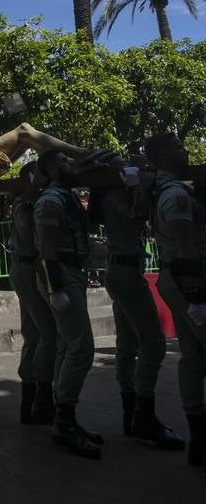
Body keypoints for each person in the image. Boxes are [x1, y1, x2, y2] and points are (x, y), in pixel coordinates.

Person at [91, 159, 184, 450]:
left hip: (123, 270)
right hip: (125, 272)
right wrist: (139, 190)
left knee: (128, 342)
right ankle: (143, 412)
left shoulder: (115, 196)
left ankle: (131, 411)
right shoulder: (116, 197)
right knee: (153, 343)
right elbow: (136, 218)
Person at [33, 151, 102, 459]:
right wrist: (56, 288)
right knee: (81, 347)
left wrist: (89, 162)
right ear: (50, 169)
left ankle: (65, 419)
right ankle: (64, 423)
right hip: (60, 273)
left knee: (67, 345)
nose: (70, 164)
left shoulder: (65, 194)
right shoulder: (51, 199)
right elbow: (47, 247)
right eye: (63, 161)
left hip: (72, 271)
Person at [145, 133, 206, 467]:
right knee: (194, 355)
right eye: (179, 149)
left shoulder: (165, 191)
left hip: (177, 279)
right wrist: (197, 297)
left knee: (192, 357)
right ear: (165, 156)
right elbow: (186, 246)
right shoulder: (175, 195)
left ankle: (200, 441)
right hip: (188, 281)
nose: (185, 153)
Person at [8, 164, 57, 425]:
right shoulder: (24, 202)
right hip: (28, 268)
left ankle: (32, 398)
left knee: (35, 332)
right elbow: (27, 225)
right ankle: (40, 396)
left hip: (30, 267)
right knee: (46, 331)